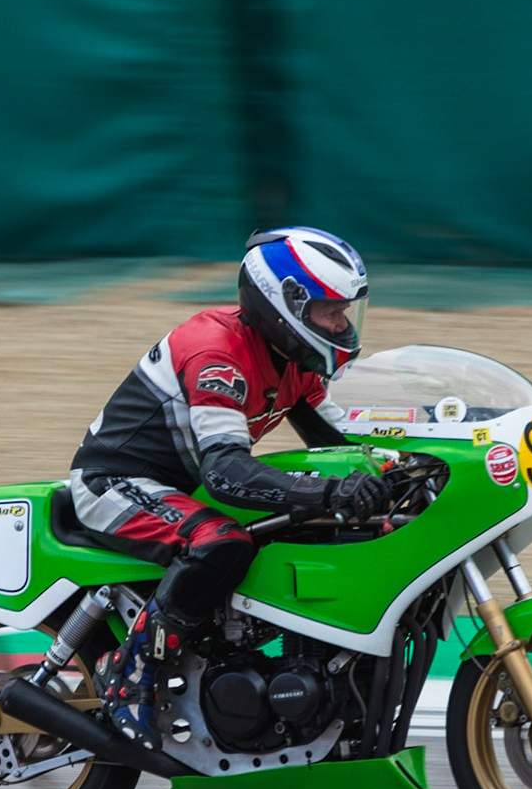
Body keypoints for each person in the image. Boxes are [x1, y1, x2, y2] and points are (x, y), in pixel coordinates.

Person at [69, 227, 390, 746]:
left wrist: (406, 464)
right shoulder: (216, 352)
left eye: (344, 311)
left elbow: (347, 445)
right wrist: (327, 493)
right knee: (221, 542)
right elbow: (224, 473)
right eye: (330, 311)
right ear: (286, 305)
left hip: (180, 487)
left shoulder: (295, 364)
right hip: (115, 483)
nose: (342, 324)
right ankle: (131, 675)